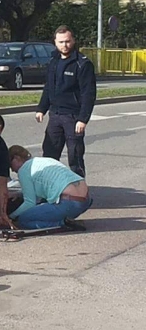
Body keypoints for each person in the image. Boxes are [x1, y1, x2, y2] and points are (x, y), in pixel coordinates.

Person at [35, 25, 97, 177]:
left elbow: (88, 94)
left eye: (68, 41)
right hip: (55, 115)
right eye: (61, 42)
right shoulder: (53, 62)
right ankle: (48, 190)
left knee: (74, 156)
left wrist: (83, 119)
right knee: (49, 155)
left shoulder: (82, 64)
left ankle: (79, 192)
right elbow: (48, 87)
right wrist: (41, 108)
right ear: (55, 42)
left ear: (73, 41)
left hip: (73, 117)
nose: (65, 45)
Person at [7, 145, 92, 229]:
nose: (12, 170)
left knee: (24, 219)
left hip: (69, 203)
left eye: (11, 165)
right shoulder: (44, 161)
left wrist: (11, 217)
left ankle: (63, 223)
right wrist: (19, 194)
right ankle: (66, 218)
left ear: (16, 158)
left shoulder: (24, 170)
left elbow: (30, 203)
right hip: (86, 199)